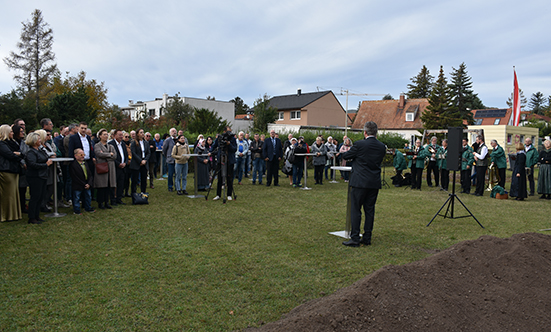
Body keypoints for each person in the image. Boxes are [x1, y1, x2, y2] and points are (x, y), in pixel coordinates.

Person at [341, 121, 386, 247]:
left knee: (356, 209)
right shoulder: (382, 146)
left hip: (360, 181)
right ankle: (367, 237)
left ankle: (355, 237)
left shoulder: (360, 144)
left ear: (365, 132)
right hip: (373, 182)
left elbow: (347, 155)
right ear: (376, 132)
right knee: (369, 210)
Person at [24, 132, 53, 224]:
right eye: (39, 139)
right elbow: (32, 164)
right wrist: (45, 165)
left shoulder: (39, 150)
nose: (40, 140)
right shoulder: (30, 152)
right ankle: (31, 217)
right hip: (35, 177)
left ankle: (37, 215)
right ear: (34, 140)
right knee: (35, 197)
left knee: (40, 196)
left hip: (43, 175)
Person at [0, 124, 23, 222]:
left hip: (14, 170)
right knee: (8, 194)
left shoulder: (12, 143)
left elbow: (19, 152)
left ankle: (14, 214)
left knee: (14, 193)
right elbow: (10, 155)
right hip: (6, 171)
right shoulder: (1, 144)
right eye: (11, 132)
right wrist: (17, 154)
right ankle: (6, 215)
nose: (13, 133)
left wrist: (18, 154)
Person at [210, 126, 237, 201]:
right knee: (220, 178)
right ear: (224, 131)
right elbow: (214, 145)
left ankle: (229, 194)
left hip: (229, 160)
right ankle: (218, 194)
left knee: (229, 178)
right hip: (221, 160)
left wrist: (229, 144)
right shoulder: (219, 138)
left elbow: (235, 149)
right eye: (228, 131)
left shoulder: (233, 139)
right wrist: (210, 152)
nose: (230, 133)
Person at [94, 129, 117, 209]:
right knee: (101, 186)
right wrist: (109, 154)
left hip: (110, 167)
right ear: (100, 136)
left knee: (108, 185)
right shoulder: (97, 145)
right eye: (104, 134)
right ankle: (100, 203)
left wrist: (106, 155)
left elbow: (114, 156)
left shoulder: (110, 146)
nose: (106, 136)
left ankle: (107, 202)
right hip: (102, 167)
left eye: (107, 134)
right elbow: (99, 154)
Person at [70, 148, 95, 214]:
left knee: (88, 196)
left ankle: (88, 207)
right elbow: (74, 176)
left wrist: (89, 183)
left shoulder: (85, 163)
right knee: (77, 197)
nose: (83, 156)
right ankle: (77, 210)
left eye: (83, 154)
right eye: (81, 154)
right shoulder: (73, 165)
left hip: (87, 184)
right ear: (75, 156)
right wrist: (83, 184)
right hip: (78, 185)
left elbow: (89, 174)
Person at [108, 129, 128, 205]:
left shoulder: (123, 144)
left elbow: (126, 155)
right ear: (114, 135)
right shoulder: (111, 144)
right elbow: (111, 156)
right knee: (113, 184)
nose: (121, 136)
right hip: (115, 167)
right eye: (119, 135)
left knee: (121, 184)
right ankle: (113, 199)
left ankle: (119, 199)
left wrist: (125, 163)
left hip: (123, 167)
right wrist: (118, 164)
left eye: (121, 135)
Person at [13, 125, 29, 213]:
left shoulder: (23, 142)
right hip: (17, 167)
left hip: (23, 168)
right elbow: (12, 154)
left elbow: (25, 153)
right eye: (21, 131)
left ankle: (23, 206)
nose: (23, 133)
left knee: (23, 188)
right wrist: (21, 156)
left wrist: (20, 154)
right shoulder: (13, 142)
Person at [129, 128, 150, 194]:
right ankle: (134, 194)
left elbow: (148, 152)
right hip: (136, 163)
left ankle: (143, 193)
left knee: (144, 179)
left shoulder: (146, 143)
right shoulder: (134, 143)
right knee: (135, 180)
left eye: (143, 132)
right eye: (141, 132)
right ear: (137, 134)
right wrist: (140, 161)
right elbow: (133, 153)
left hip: (144, 163)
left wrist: (145, 160)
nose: (142, 134)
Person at [162, 128, 177, 192]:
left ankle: (177, 186)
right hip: (170, 159)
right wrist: (167, 156)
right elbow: (164, 150)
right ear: (170, 133)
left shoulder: (178, 139)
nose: (174, 132)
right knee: (170, 174)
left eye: (175, 131)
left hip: (177, 159)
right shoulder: (167, 140)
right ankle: (170, 186)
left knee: (177, 174)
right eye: (173, 131)